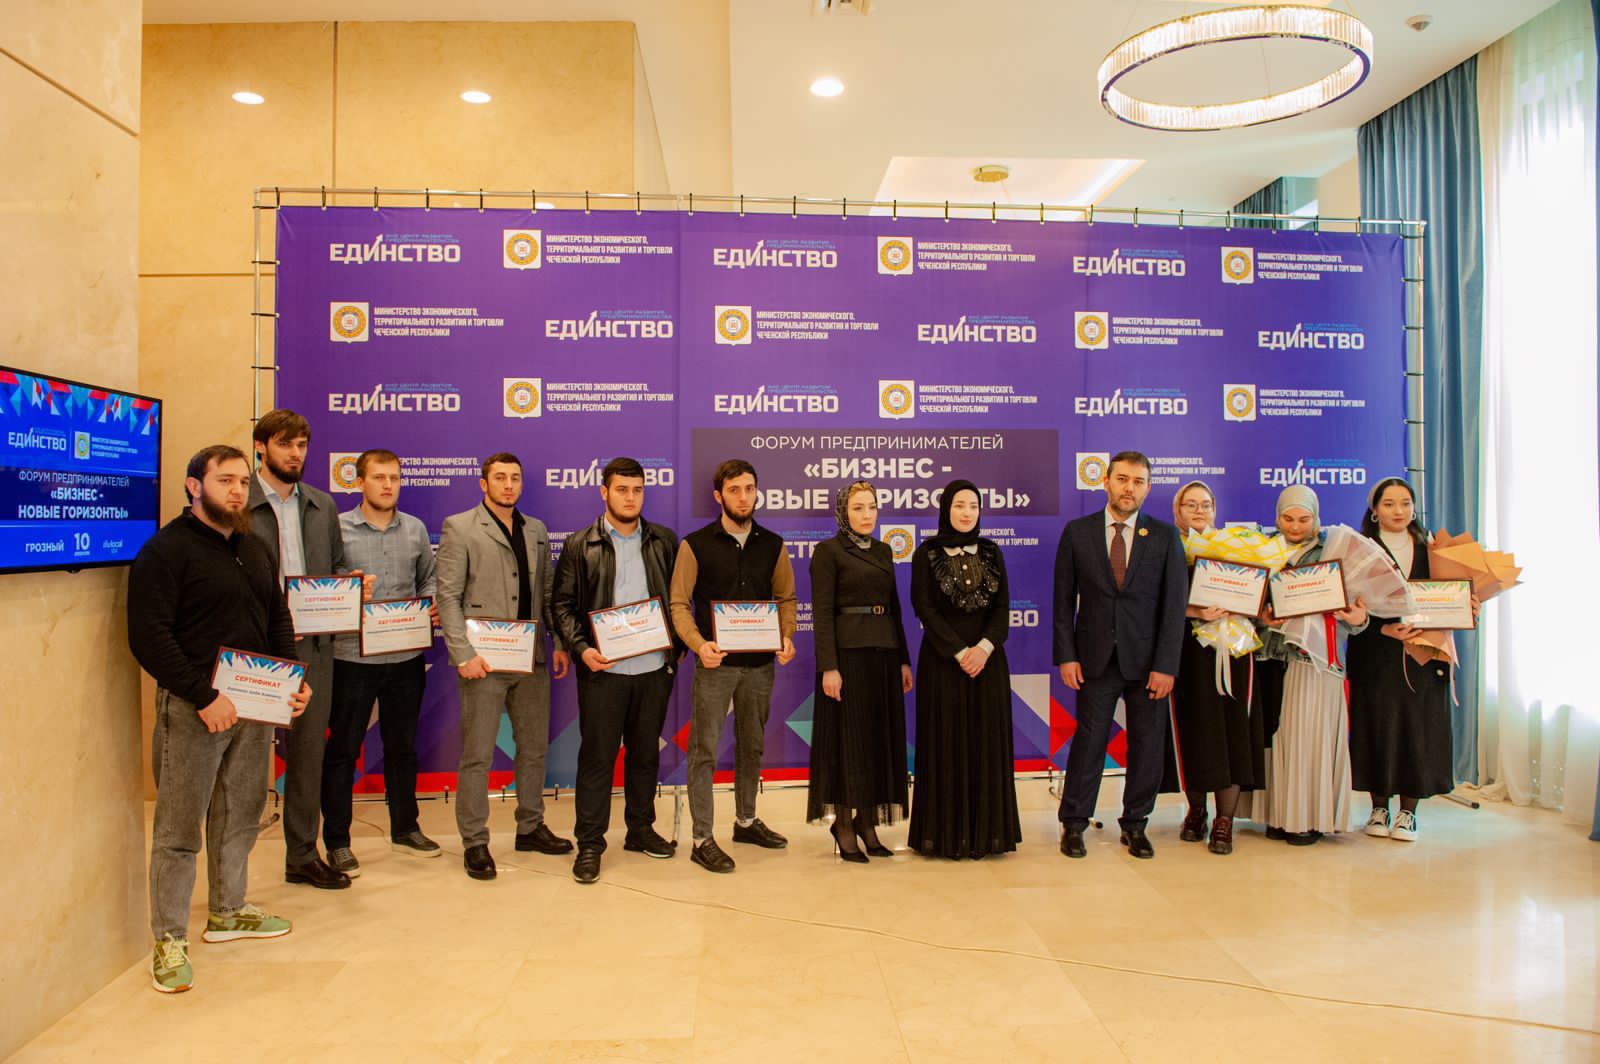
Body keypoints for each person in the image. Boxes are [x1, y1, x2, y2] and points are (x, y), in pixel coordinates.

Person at [129, 444, 310, 993]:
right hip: (196, 710)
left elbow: (277, 617)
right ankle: (168, 939)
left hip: (254, 706)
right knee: (179, 828)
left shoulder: (253, 546)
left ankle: (228, 911)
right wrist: (203, 696)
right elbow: (149, 637)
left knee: (240, 814)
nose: (236, 491)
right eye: (224, 481)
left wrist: (291, 681)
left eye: (242, 483)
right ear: (194, 486)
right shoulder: (165, 551)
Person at [435, 452, 572, 881]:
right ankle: (475, 841)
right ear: (483, 483)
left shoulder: (536, 530)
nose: (508, 485)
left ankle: (530, 826)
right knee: (477, 754)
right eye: (500, 478)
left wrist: (559, 643)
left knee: (534, 749)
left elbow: (546, 593)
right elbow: (448, 597)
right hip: (483, 660)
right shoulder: (460, 527)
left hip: (530, 657)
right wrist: (462, 654)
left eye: (515, 478)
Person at [552, 457, 683, 884]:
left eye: (637, 490)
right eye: (622, 489)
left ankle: (640, 830)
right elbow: (562, 605)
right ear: (604, 492)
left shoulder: (664, 541)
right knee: (597, 758)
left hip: (653, 669)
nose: (630, 498)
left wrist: (676, 651)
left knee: (645, 755)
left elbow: (681, 600)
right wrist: (582, 649)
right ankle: (590, 843)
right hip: (603, 671)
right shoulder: (580, 544)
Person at [1052, 450, 1188, 860]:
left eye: (1138, 481)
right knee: (1089, 744)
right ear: (1106, 481)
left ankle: (1135, 824)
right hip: (1094, 660)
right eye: (1123, 479)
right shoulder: (1077, 533)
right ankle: (1074, 824)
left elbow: (1174, 607)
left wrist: (1166, 665)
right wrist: (1067, 655)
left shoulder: (1164, 537)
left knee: (1147, 746)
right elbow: (1062, 603)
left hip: (1148, 665)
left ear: (1148, 488)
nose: (1130, 488)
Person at [247, 408, 361, 890]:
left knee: (309, 755)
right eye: (284, 444)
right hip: (253, 649)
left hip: (313, 647)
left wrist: (350, 586)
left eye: (301, 445)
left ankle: (301, 855)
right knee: (244, 760)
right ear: (261, 447)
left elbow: (335, 566)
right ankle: (231, 871)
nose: (295, 454)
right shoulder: (240, 502)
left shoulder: (321, 504)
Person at [668, 458, 798, 873]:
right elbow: (678, 603)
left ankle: (745, 821)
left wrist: (786, 635)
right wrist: (698, 644)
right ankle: (701, 839)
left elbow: (787, 598)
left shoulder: (773, 545)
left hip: (760, 665)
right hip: (715, 664)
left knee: (752, 744)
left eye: (749, 489)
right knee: (704, 749)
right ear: (718, 496)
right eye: (734, 490)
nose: (743, 497)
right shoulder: (695, 545)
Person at [321, 449, 440, 878]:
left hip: (406, 656)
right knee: (343, 749)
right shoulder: (337, 529)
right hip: (351, 657)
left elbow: (429, 577)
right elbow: (322, 584)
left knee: (402, 747)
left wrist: (429, 602)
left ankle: (405, 828)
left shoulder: (415, 529)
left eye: (394, 478)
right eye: (378, 477)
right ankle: (337, 841)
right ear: (359, 482)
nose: (388, 485)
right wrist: (346, 588)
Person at [1243, 485, 1369, 845]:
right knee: (1276, 738)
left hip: (1315, 660)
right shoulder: (1261, 550)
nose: (1296, 526)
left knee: (1309, 739)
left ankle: (1307, 818)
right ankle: (1276, 815)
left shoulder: (1335, 551)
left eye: (1304, 518)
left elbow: (1356, 613)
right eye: (1288, 518)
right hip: (1270, 656)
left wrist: (1358, 619)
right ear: (1277, 517)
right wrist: (1262, 619)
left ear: (1316, 517)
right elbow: (1247, 607)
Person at [1346, 477, 1466, 843]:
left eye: (1405, 503)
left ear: (1414, 508)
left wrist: (1467, 604)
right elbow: (1348, 604)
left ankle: (1408, 812)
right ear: (1374, 510)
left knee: (1418, 729)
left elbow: (1451, 597)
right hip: (1375, 654)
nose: (1398, 511)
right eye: (1389, 504)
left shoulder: (1434, 550)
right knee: (1377, 727)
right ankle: (1378, 807)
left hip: (1423, 654)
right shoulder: (1359, 550)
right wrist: (1382, 629)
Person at [907, 480, 1021, 860]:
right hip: (943, 664)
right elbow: (924, 608)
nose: (967, 512)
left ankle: (987, 835)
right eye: (959, 505)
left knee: (985, 745)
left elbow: (1002, 608)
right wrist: (960, 652)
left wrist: (983, 649)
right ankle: (945, 836)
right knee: (946, 746)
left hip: (988, 664)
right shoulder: (926, 553)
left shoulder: (992, 551)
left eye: (973, 505)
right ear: (945, 509)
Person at [806, 480, 914, 862]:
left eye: (872, 507)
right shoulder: (828, 551)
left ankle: (868, 822)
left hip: (884, 654)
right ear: (843, 512)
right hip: (847, 657)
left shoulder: (884, 550)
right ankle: (844, 824)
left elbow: (895, 608)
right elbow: (822, 613)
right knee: (848, 742)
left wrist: (903, 660)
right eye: (858, 508)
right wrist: (828, 667)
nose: (867, 515)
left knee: (876, 740)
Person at [1169, 481, 1263, 856]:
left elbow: (1260, 598)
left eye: (1205, 504)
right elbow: (1153, 601)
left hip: (1235, 651)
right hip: (1187, 652)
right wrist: (1195, 611)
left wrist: (1250, 604)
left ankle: (1225, 819)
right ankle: (1196, 811)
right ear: (1177, 510)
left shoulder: (1236, 549)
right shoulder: (1166, 548)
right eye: (1190, 504)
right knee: (1195, 729)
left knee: (1233, 731)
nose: (1198, 511)